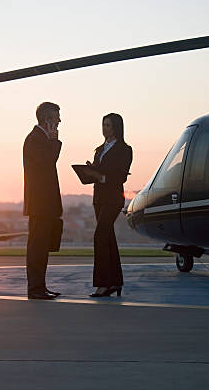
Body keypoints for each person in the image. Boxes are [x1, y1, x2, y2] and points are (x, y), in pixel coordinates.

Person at [81, 113, 133, 297]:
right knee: (108, 239)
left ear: (117, 127)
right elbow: (98, 172)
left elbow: (120, 177)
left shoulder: (125, 149)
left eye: (108, 125)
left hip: (113, 198)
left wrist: (100, 176)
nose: (104, 129)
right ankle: (115, 282)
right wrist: (89, 171)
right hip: (99, 198)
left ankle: (103, 284)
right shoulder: (99, 149)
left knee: (100, 237)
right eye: (103, 125)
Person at [23, 102, 63, 300]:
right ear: (47, 120)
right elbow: (48, 162)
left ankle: (40, 286)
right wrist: (54, 142)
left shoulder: (41, 139)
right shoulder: (35, 140)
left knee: (42, 247)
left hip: (44, 204)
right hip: (39, 204)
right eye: (56, 118)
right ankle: (35, 289)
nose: (59, 122)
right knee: (37, 247)